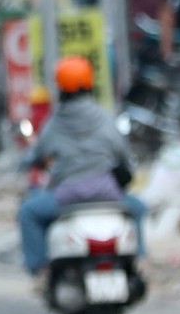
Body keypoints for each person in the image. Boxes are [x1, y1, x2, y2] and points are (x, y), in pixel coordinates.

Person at [17, 55, 144, 276]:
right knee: (139, 208)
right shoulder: (104, 117)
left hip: (67, 196)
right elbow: (123, 155)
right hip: (107, 193)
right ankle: (140, 260)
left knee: (27, 213)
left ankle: (40, 269)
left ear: (59, 87)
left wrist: (23, 163)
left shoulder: (56, 122)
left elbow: (36, 155)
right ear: (89, 83)